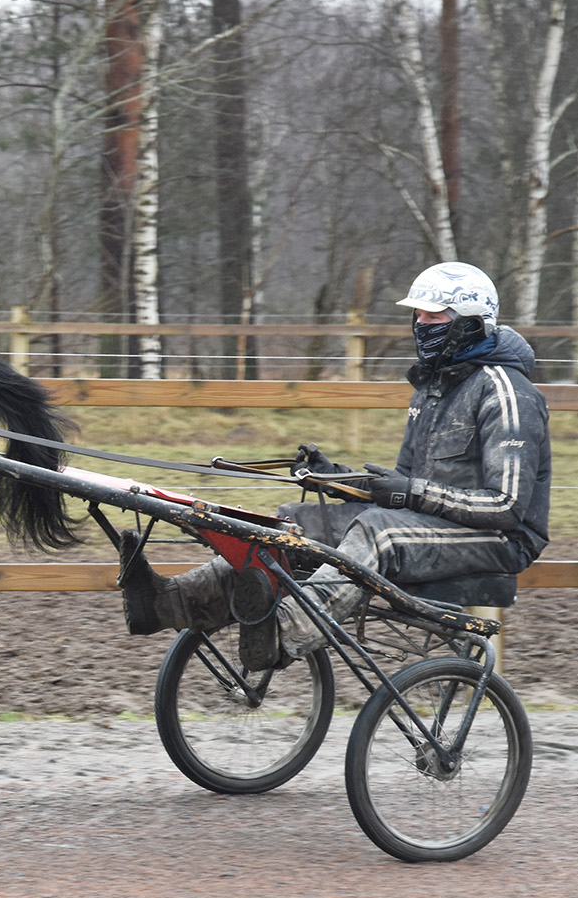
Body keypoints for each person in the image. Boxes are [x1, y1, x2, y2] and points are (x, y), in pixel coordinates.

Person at [118, 261, 551, 667]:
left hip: (498, 538)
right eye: (418, 317)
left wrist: (408, 492)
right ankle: (169, 601)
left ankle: (286, 632)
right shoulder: (433, 390)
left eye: (434, 318)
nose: (421, 326)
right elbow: (400, 485)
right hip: (432, 524)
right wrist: (336, 477)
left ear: (471, 324)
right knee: (292, 526)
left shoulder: (507, 394)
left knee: (378, 534)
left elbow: (505, 507)